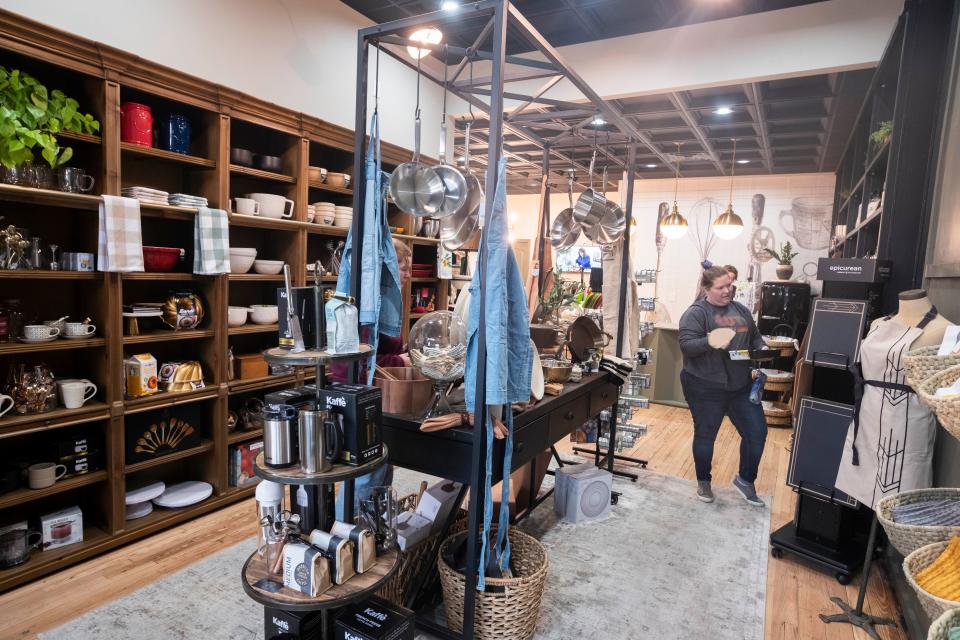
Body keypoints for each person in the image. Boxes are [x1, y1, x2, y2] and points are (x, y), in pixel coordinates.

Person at [332, 238, 412, 520]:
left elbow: (376, 352)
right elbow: (351, 367)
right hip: (356, 401)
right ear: (386, 270)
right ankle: (346, 536)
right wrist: (400, 361)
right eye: (403, 267)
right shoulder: (365, 309)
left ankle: (369, 534)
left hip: (373, 398)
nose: (408, 274)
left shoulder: (382, 304)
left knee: (379, 470)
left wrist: (400, 355)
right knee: (365, 476)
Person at [678, 266, 767, 506]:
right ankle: (703, 482)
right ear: (707, 289)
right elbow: (686, 347)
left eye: (729, 285)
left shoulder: (741, 310)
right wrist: (710, 340)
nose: (728, 290)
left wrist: (763, 348)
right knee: (706, 436)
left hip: (740, 386)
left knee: (757, 433)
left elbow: (755, 336)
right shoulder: (696, 313)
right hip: (704, 385)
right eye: (721, 287)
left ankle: (745, 480)